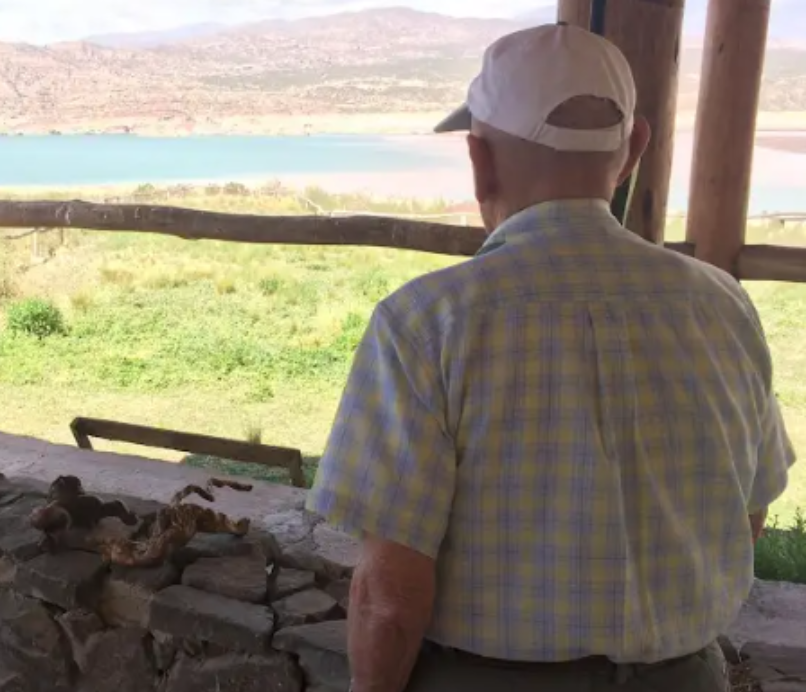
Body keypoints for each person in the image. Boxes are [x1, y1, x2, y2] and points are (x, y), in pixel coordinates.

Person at [306, 22, 796, 692]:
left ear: (480, 160)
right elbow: (749, 514)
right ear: (634, 151)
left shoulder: (426, 323)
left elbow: (390, 596)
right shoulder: (722, 304)